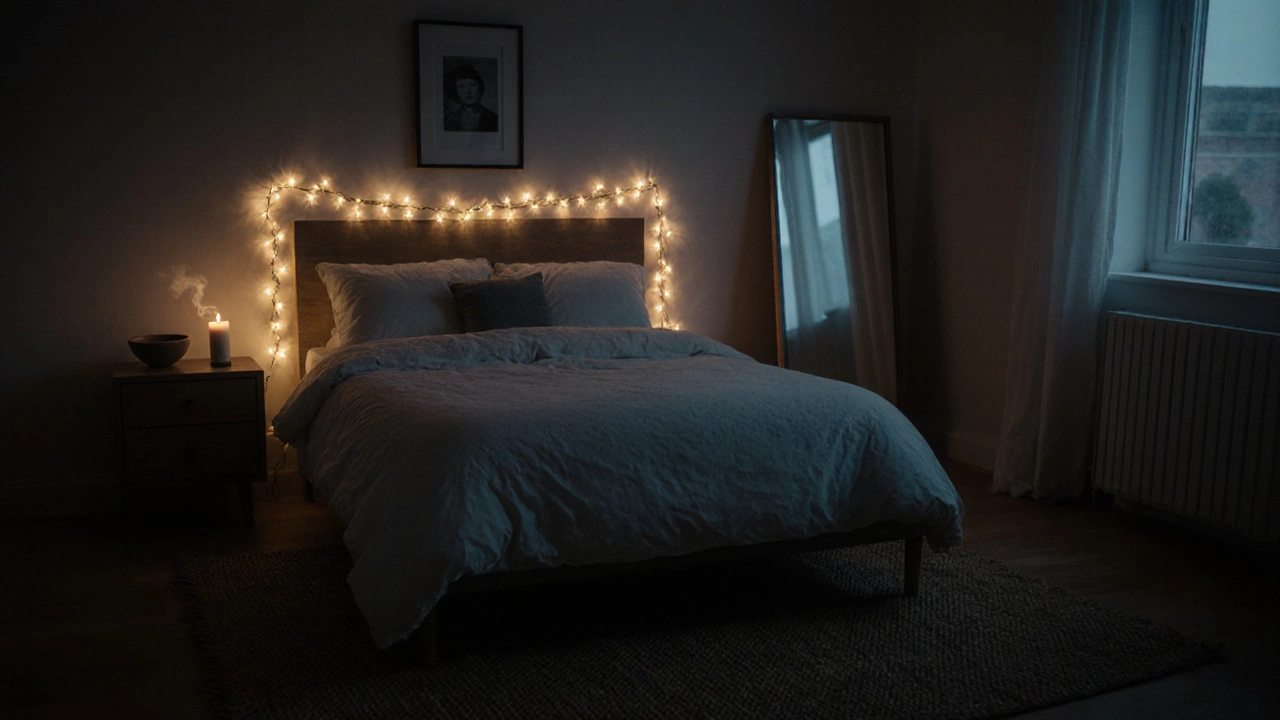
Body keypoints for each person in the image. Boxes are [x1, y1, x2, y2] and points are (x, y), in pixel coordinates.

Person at [443, 63, 499, 132]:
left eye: (473, 85)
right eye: (462, 86)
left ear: (480, 87)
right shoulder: (448, 120)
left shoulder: (494, 119)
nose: (468, 91)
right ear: (456, 90)